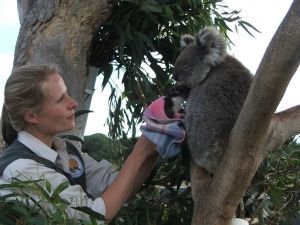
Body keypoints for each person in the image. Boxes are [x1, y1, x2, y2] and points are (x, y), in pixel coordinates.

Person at [0, 64, 160, 223]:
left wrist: (155, 145)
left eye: (67, 93)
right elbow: (92, 217)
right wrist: (140, 153)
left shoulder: (65, 150)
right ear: (32, 116)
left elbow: (117, 186)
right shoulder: (22, 169)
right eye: (60, 99)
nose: (73, 103)